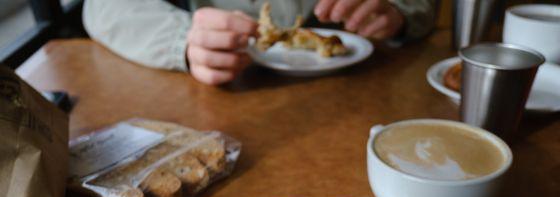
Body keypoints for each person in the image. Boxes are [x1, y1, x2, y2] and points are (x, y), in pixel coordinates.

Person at [83, 0, 437, 85]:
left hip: (368, 85)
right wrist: (184, 39)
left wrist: (399, 12)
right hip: (229, 91)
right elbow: (101, 6)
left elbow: (420, 6)